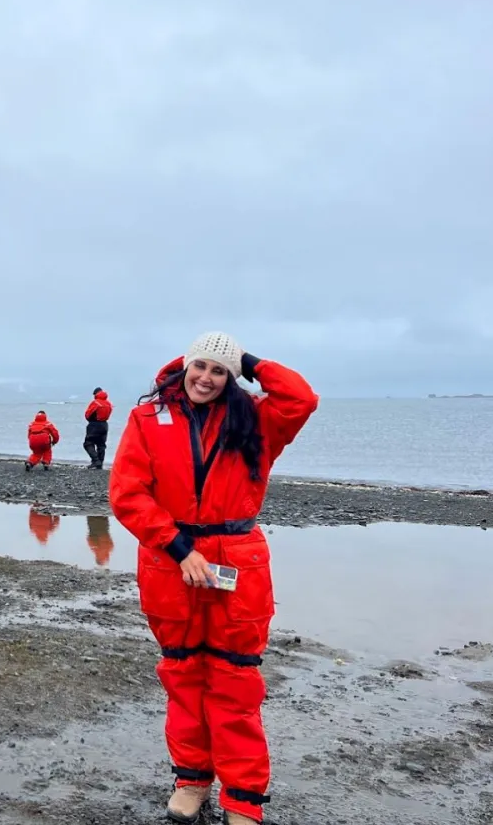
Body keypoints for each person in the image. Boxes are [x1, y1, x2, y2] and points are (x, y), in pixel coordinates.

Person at [108, 331, 318, 825]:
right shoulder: (145, 419)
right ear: (185, 365)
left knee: (234, 681)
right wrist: (179, 547)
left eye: (219, 370)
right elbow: (127, 493)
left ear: (232, 377)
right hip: (169, 561)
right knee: (183, 676)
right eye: (200, 365)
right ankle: (191, 780)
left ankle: (243, 799)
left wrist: (245, 358)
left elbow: (302, 397)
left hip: (236, 561)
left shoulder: (259, 421)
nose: (206, 378)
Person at [83, 387, 113, 469]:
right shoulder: (108, 403)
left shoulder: (95, 403)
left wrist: (90, 419)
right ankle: (100, 463)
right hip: (104, 425)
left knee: (88, 443)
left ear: (96, 394)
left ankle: (96, 461)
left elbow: (88, 414)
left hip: (94, 424)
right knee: (101, 445)